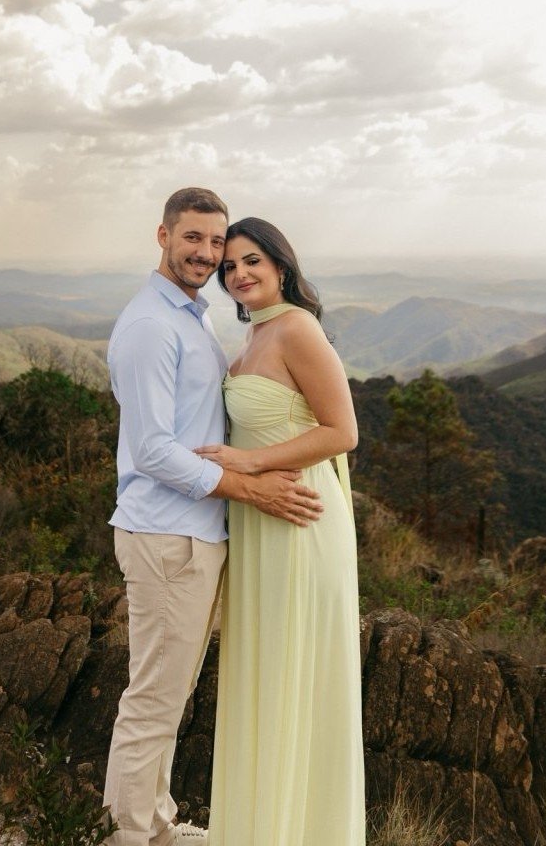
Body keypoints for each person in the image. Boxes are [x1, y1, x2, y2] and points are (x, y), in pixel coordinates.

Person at [103, 189, 323, 846]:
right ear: (163, 236)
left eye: (215, 242)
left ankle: (155, 824)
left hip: (190, 533)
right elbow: (152, 450)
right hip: (167, 535)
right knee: (153, 701)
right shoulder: (151, 326)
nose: (205, 253)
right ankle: (132, 836)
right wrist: (250, 489)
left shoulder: (190, 317)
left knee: (166, 696)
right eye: (191, 238)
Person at [197, 217, 366, 846]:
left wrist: (249, 463)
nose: (239, 274)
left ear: (281, 265)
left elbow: (342, 432)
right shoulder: (254, 334)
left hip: (299, 520)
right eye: (229, 267)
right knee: (266, 676)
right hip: (259, 524)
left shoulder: (297, 328)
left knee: (295, 676)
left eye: (252, 261)